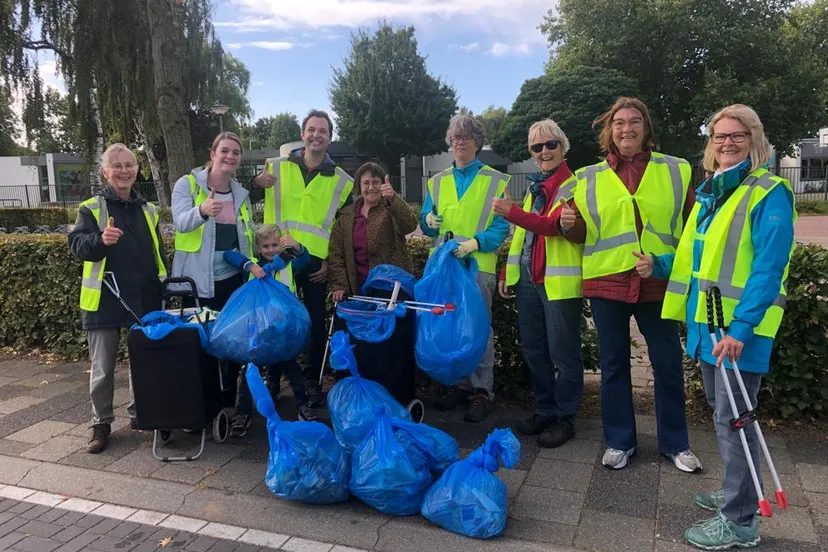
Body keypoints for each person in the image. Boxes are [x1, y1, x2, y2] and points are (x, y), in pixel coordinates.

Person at [639, 105, 795, 550]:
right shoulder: (713, 192)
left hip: (738, 334)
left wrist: (742, 328)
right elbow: (696, 257)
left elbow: (768, 267)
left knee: (735, 422)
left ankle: (742, 518)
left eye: (736, 136)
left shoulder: (769, 192)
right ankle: (735, 491)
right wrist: (659, 264)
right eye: (718, 136)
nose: (726, 143)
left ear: (754, 140)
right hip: (710, 328)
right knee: (723, 414)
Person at [568, 97, 702, 472]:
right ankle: (619, 441)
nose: (626, 129)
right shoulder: (587, 176)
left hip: (658, 282)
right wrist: (568, 224)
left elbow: (692, 229)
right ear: (609, 131)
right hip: (607, 282)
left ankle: (675, 443)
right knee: (613, 365)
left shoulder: (676, 170)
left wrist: (661, 265)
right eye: (619, 123)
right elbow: (580, 232)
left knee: (668, 363)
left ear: (646, 128)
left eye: (634, 122)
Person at [248, 110, 354, 406]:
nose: (316, 135)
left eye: (322, 131)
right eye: (311, 129)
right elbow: (246, 199)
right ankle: (273, 377)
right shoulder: (275, 167)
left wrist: (331, 262)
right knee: (275, 320)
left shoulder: (343, 181)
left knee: (314, 323)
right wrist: (256, 183)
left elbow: (342, 229)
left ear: (330, 138)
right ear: (302, 133)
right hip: (277, 260)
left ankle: (311, 379)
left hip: (314, 264)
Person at [68, 143, 168, 454]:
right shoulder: (92, 208)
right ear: (105, 172)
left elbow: (157, 253)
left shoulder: (147, 209)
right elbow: (77, 246)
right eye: (117, 166)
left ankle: (143, 416)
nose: (124, 171)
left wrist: (163, 287)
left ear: (138, 170)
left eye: (129, 165)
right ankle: (101, 424)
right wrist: (100, 240)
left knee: (144, 362)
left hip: (143, 299)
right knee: (103, 367)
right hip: (105, 300)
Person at [495, 119, 585, 448]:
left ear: (563, 148)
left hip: (558, 285)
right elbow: (523, 237)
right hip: (530, 283)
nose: (544, 151)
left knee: (563, 355)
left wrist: (512, 212)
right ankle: (545, 410)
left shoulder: (573, 185)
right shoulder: (537, 186)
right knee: (534, 351)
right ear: (532, 154)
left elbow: (551, 228)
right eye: (537, 147)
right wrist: (509, 271)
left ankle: (565, 418)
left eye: (550, 145)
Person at [420, 114, 510, 423]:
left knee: (479, 328)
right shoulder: (436, 181)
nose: (460, 141)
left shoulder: (498, 181)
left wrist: (475, 243)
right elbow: (426, 223)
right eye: (456, 137)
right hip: (443, 268)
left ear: (477, 143)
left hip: (477, 266)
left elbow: (500, 228)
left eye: (467, 137)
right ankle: (458, 385)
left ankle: (482, 391)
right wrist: (427, 223)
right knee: (449, 327)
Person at [327, 162, 419, 405]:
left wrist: (394, 199)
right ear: (359, 186)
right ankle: (361, 399)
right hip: (358, 292)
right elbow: (336, 252)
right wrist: (339, 284)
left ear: (384, 184)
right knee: (363, 348)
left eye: (376, 182)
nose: (371, 187)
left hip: (391, 291)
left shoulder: (390, 208)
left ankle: (397, 399)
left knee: (392, 348)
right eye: (366, 183)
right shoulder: (347, 216)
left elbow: (409, 225)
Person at [223, 224, 317, 434]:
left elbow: (305, 259)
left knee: (292, 368)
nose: (270, 249)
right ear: (258, 248)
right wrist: (248, 265)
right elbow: (229, 255)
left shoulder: (288, 264)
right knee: (251, 369)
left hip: (283, 329)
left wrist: (297, 246)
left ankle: (302, 404)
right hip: (258, 331)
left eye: (275, 244)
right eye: (265, 246)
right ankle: (243, 412)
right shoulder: (254, 267)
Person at [170, 131, 256, 310]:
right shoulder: (187, 184)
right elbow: (180, 223)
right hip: (197, 282)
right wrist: (201, 211)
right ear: (213, 154)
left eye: (236, 153)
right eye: (224, 151)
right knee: (200, 336)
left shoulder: (241, 195)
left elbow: (247, 237)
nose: (230, 156)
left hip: (233, 280)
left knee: (228, 336)